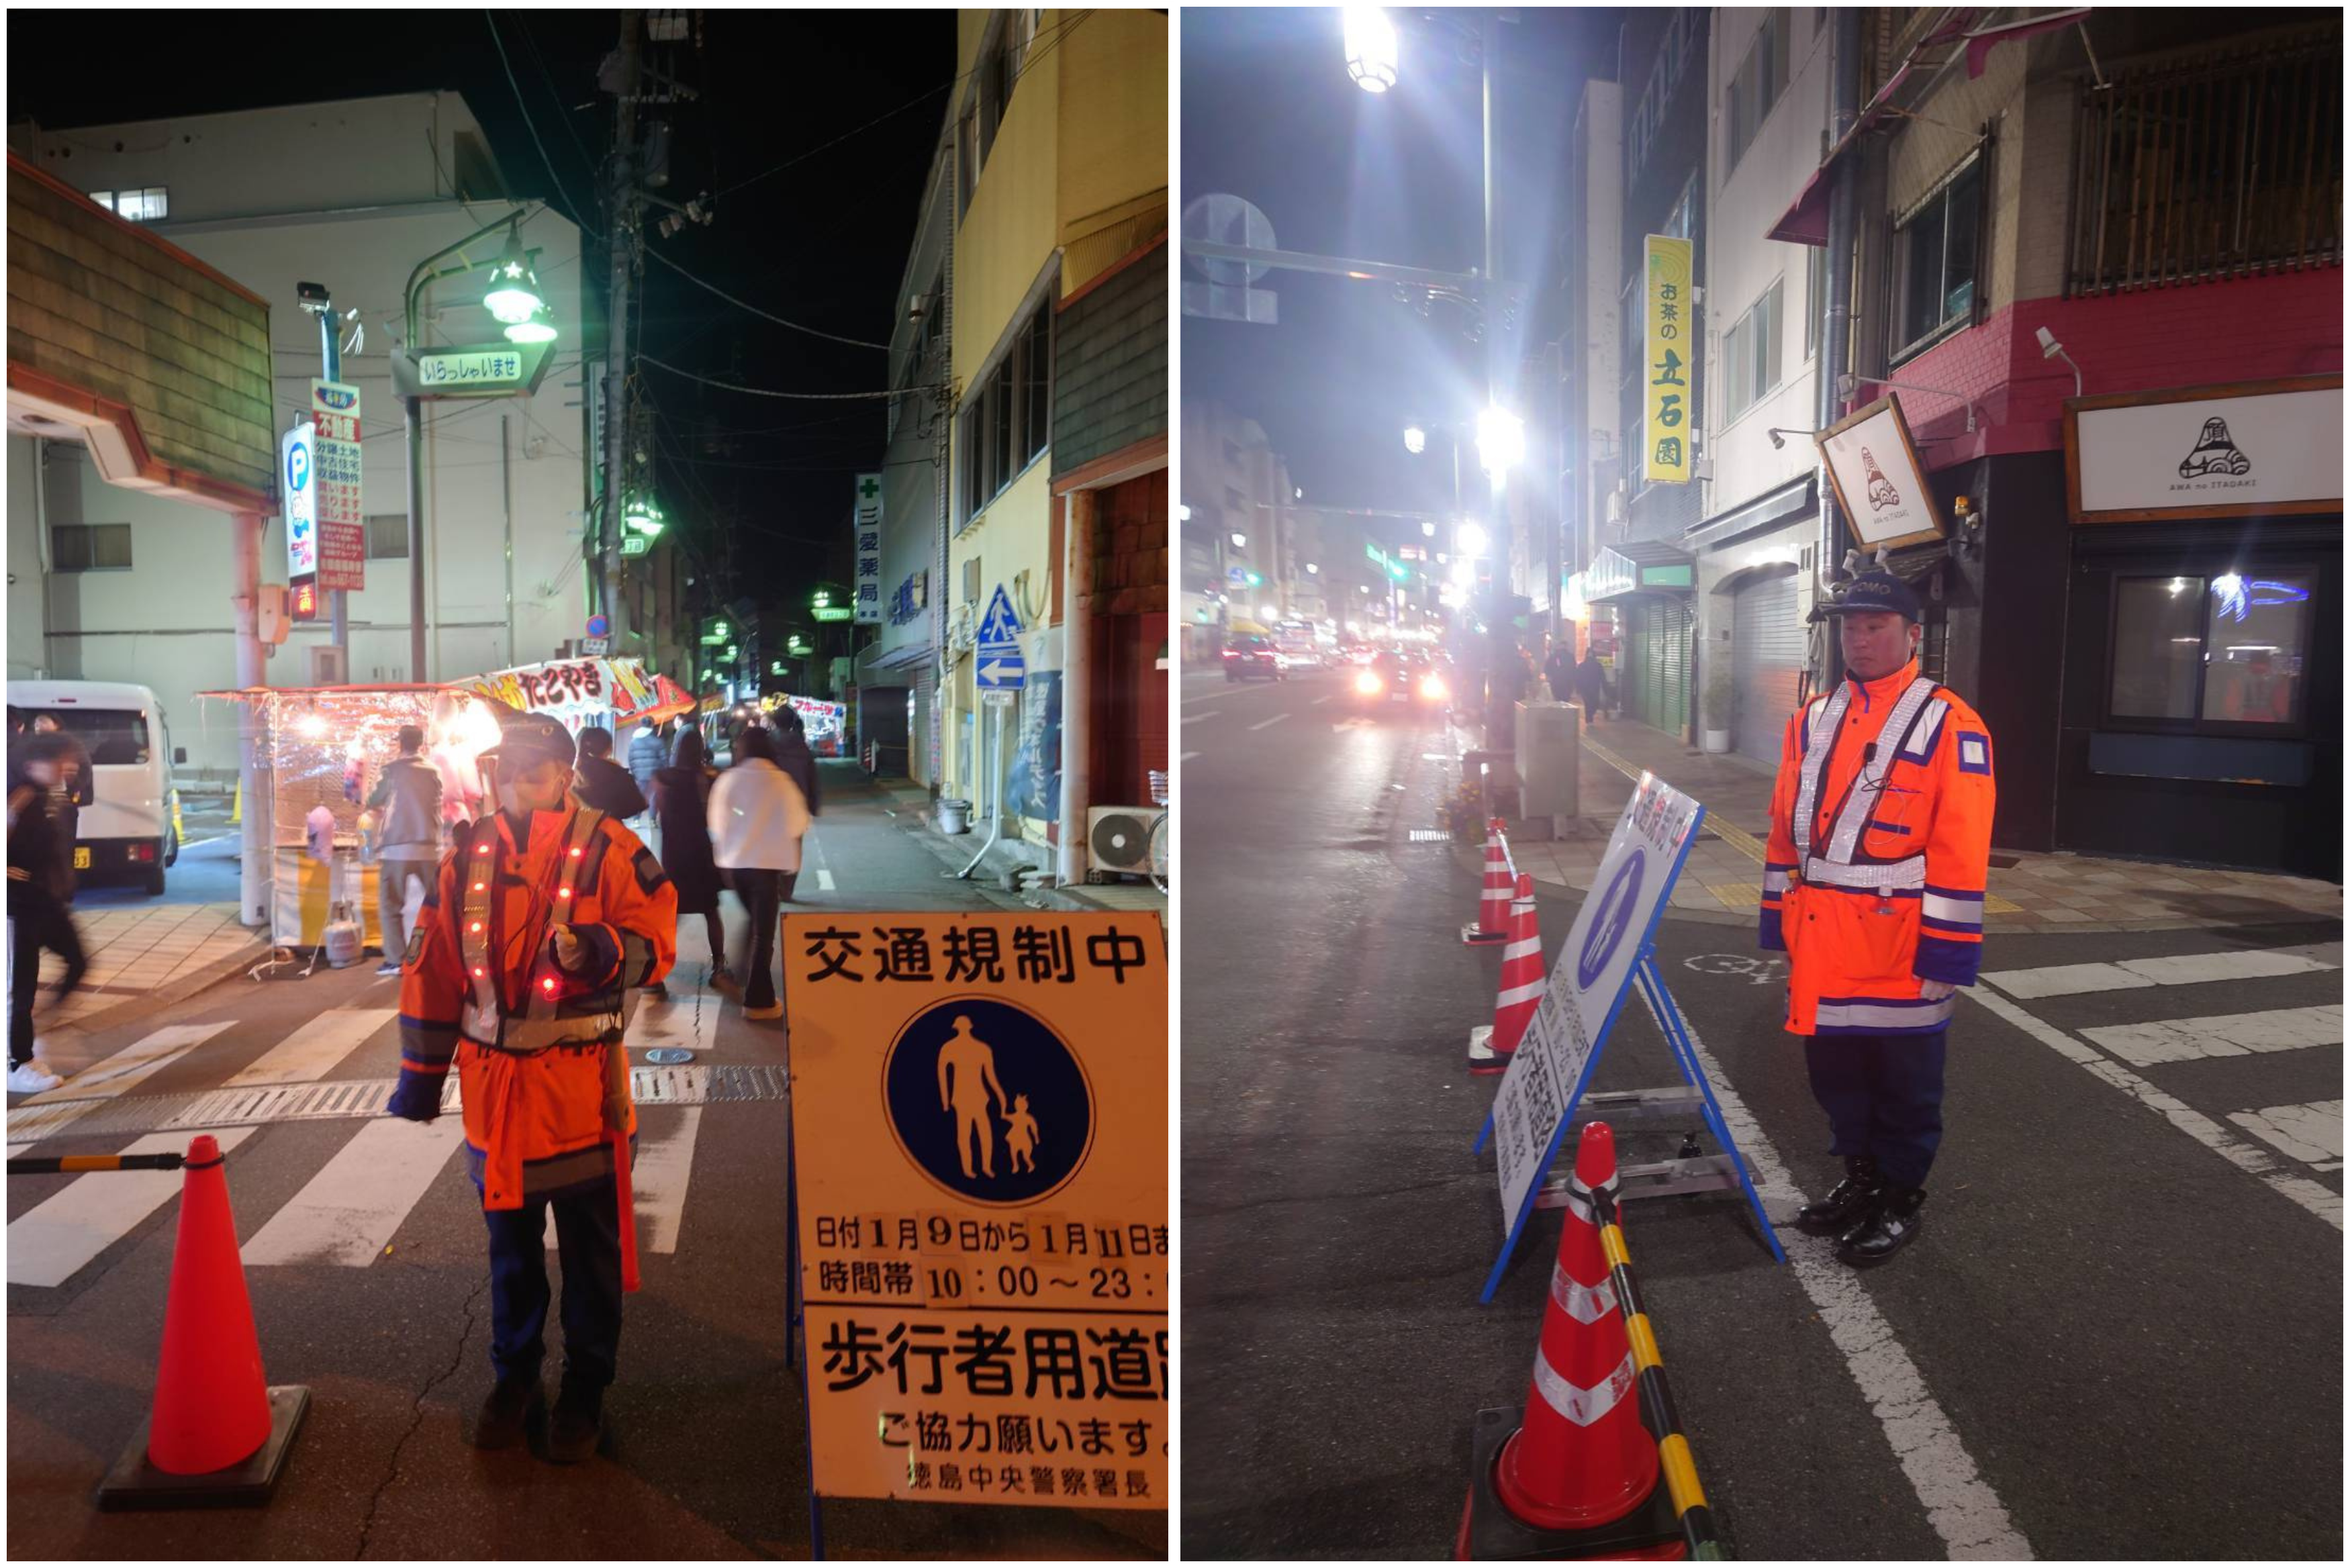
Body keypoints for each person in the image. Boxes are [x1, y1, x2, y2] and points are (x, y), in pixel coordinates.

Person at [383, 703, 676, 1462]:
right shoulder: (467, 853)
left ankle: (586, 1388)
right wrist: (420, 1078)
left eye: (532, 771)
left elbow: (659, 940)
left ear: (565, 774)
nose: (516, 783)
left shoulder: (612, 848)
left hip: (584, 1095)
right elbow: (431, 967)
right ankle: (514, 1379)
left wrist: (599, 949)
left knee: (590, 1259)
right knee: (510, 1257)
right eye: (506, 770)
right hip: (496, 1104)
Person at [1760, 572, 1995, 1265]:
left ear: (1912, 634)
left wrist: (1945, 954)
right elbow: (1782, 829)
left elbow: (1961, 848)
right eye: (1849, 627)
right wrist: (1776, 920)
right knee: (1835, 1076)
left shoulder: (1951, 723)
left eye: (1875, 626)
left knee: (1905, 1085)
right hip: (1820, 940)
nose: (1858, 640)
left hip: (1899, 948)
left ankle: (1898, 1197)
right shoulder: (1809, 719)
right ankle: (1861, 1179)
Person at [705, 725, 810, 1022]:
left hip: (735, 867)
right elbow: (798, 823)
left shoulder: (729, 779)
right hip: (767, 866)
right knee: (763, 934)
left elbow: (716, 822)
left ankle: (739, 975)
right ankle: (758, 1001)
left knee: (755, 923)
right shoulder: (781, 781)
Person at [7, 746, 87, 1093]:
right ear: (32, 764)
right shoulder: (18, 798)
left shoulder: (53, 798)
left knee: (78, 961)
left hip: (47, 903)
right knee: (19, 987)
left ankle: (32, 1033)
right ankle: (17, 1063)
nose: (66, 766)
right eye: (57, 761)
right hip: (17, 906)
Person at [649, 728, 727, 1002]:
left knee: (670, 914)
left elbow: (654, 813)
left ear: (676, 749)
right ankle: (719, 966)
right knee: (711, 911)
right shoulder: (707, 777)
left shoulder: (661, 777)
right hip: (701, 852)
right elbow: (716, 815)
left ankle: (655, 975)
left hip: (673, 853)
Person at [365, 726, 444, 977]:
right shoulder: (434, 770)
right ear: (421, 743)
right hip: (429, 847)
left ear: (400, 742)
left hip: (396, 850)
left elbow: (374, 800)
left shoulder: (391, 770)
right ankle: (444, 954)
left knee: (391, 907)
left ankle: (396, 960)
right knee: (439, 905)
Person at [29, 714, 91, 902]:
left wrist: (72, 790)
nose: (39, 728)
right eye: (37, 725)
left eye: (43, 725)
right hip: (39, 805)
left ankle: (64, 891)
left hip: (64, 805)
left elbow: (84, 771)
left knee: (64, 847)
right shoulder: (30, 746)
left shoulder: (70, 745)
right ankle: (47, 889)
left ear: (55, 726)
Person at [769, 707, 822, 900]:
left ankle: (774, 886)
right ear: (793, 722)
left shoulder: (766, 744)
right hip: (797, 806)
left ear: (773, 722)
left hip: (770, 805)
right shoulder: (801, 747)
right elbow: (812, 778)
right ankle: (787, 890)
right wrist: (813, 805)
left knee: (771, 846)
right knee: (794, 848)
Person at [572, 726, 649, 820]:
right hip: (610, 828)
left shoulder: (573, 774)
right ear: (610, 748)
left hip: (581, 827)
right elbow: (636, 806)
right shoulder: (619, 775)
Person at [625, 721, 665, 803]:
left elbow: (631, 759)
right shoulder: (658, 741)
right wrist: (663, 773)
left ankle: (639, 810)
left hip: (640, 775)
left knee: (641, 797)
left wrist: (634, 773)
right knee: (653, 799)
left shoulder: (633, 742)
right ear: (652, 726)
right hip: (655, 774)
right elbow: (664, 759)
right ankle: (651, 812)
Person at [1574, 648, 1615, 726]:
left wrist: (1605, 688)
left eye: (1591, 654)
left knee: (1594, 703)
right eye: (1589, 654)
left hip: (1593, 687)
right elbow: (1578, 678)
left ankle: (1590, 716)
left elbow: (1602, 677)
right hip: (1586, 688)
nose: (1590, 656)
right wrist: (1578, 689)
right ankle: (1589, 719)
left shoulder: (1597, 666)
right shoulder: (1583, 666)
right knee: (1588, 703)